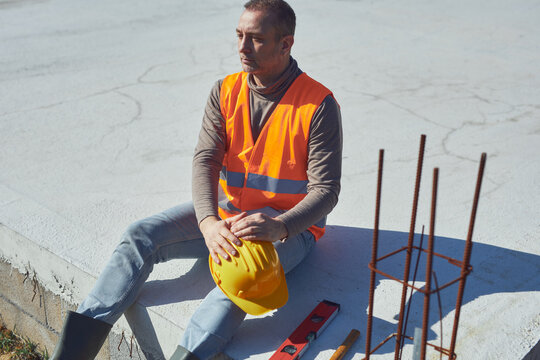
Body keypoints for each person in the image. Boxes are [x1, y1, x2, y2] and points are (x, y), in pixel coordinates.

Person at [51, 0, 342, 359]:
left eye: (256, 39)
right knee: (140, 235)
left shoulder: (318, 104)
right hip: (226, 214)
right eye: (239, 36)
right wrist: (208, 222)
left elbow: (326, 191)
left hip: (287, 229)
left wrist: (279, 227)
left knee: (241, 280)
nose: (242, 47)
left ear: (286, 44)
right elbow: (205, 159)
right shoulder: (226, 90)